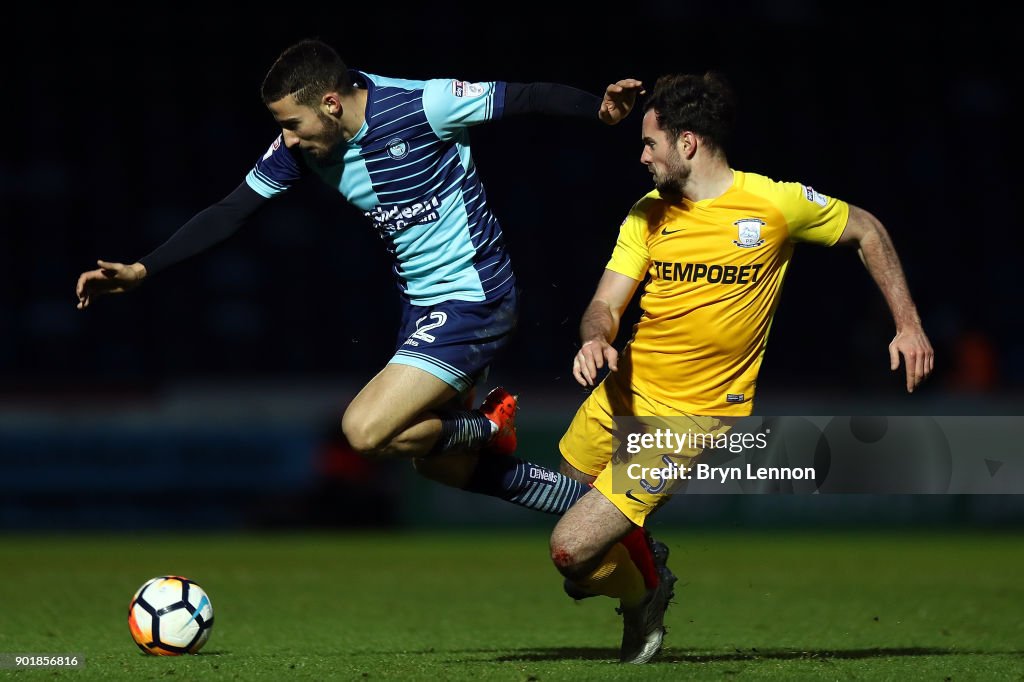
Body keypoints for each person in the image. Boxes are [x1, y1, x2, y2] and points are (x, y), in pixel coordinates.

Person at [74, 39, 646, 520]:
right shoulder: (299, 148)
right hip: (421, 311)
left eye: (292, 125)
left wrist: (598, 109)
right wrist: (143, 269)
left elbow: (523, 96)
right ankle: (609, 519)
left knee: (364, 430)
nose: (288, 140)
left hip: (476, 295)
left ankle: (486, 426)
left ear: (329, 102)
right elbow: (233, 209)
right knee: (434, 459)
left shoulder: (423, 104)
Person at [548, 72, 935, 664]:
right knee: (571, 507)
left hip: (690, 417)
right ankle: (643, 568)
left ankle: (646, 594)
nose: (641, 155)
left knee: (573, 555)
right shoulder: (648, 213)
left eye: (650, 142)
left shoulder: (774, 205)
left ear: (688, 144)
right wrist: (596, 340)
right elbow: (603, 305)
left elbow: (867, 230)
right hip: (620, 397)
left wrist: (906, 323)